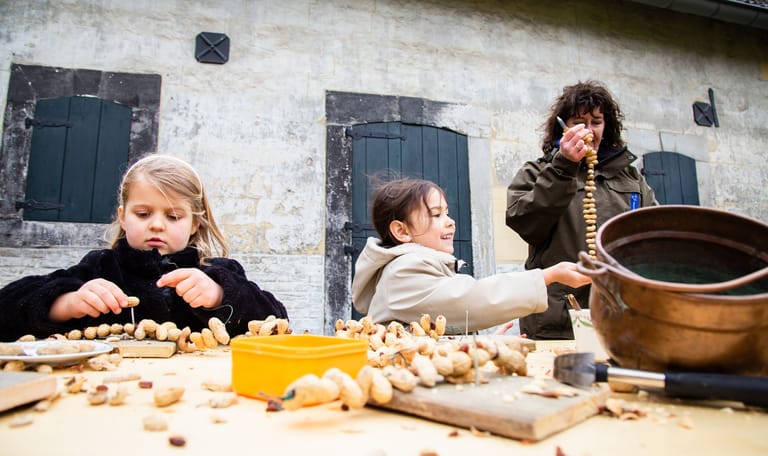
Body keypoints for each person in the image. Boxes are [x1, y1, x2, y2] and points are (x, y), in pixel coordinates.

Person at [0, 154, 288, 341]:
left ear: (194, 224)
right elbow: (7, 308)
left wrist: (220, 295)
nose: (157, 225)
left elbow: (279, 322)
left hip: (198, 397)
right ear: (123, 216)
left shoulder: (218, 272)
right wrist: (65, 304)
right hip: (108, 396)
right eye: (143, 214)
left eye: (173, 216)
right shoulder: (100, 268)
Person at [506, 80, 658, 340]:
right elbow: (523, 221)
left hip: (620, 313)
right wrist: (563, 166)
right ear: (563, 126)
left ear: (606, 127)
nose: (589, 130)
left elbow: (652, 233)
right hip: (557, 317)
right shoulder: (538, 170)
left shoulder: (631, 177)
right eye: (579, 122)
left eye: (596, 122)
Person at [351, 177, 590, 335]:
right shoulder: (404, 272)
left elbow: (439, 324)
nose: (450, 222)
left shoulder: (413, 266)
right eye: (436, 215)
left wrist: (477, 344)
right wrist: (548, 276)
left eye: (447, 213)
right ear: (402, 231)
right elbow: (470, 299)